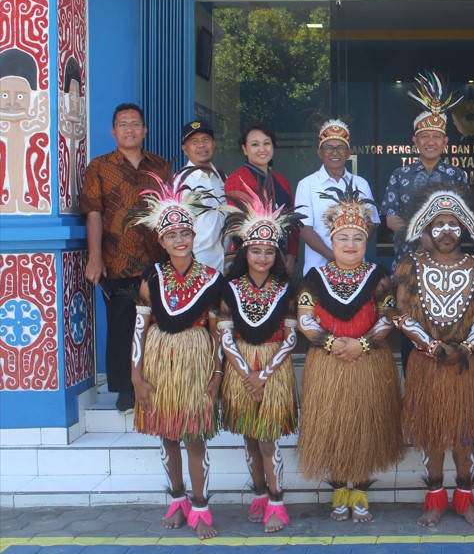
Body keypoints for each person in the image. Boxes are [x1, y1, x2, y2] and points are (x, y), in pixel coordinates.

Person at [296, 180, 404, 523]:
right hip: (327, 363)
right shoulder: (314, 277)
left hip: (368, 360)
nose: (350, 244)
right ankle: (339, 488)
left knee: (363, 425)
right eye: (343, 237)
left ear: (366, 241)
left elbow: (388, 317)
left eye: (358, 238)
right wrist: (331, 343)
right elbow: (305, 320)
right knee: (333, 426)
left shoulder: (379, 276)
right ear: (331, 240)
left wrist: (363, 343)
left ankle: (360, 490)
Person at [391, 187, 474, 528]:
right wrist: (433, 347)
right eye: (439, 224)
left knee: (465, 436)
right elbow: (400, 314)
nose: (447, 231)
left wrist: (465, 348)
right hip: (427, 363)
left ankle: (466, 499)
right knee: (432, 434)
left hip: (466, 364)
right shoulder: (411, 264)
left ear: (464, 227)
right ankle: (435, 499)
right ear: (426, 229)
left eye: (453, 224)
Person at [125, 173, 223, 540]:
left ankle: (201, 507)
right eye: (171, 235)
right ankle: (178, 501)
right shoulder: (151, 278)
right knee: (167, 436)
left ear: (194, 236)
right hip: (159, 364)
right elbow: (140, 328)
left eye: (185, 233)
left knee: (195, 438)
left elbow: (217, 333)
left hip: (195, 364)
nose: (179, 240)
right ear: (160, 240)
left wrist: (216, 376)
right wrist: (136, 376)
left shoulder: (212, 279)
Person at [217, 188, 305, 533]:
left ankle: (277, 502)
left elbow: (291, 338)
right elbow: (225, 335)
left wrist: (262, 376)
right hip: (241, 366)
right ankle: (258, 494)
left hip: (273, 368)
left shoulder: (287, 288)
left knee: (268, 438)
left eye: (270, 251)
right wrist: (245, 373)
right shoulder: (230, 288)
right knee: (249, 437)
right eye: (256, 250)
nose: (263, 257)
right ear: (245, 251)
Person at [80, 103, 170, 413]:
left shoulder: (160, 166)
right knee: (122, 326)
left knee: (156, 324)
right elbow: (93, 213)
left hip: (156, 259)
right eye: (123, 124)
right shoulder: (99, 166)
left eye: (134, 124)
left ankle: (155, 382)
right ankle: (125, 390)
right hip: (117, 259)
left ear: (145, 130)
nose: (129, 129)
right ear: (113, 131)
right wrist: (95, 257)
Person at [382, 71, 468, 373]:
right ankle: (414, 383)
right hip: (409, 265)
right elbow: (390, 219)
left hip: (449, 267)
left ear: (445, 141)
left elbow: (464, 219)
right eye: (424, 136)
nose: (430, 142)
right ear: (415, 140)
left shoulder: (457, 176)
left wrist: (440, 240)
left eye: (436, 136)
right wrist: (421, 236)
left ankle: (446, 387)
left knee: (449, 324)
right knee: (410, 325)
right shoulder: (399, 175)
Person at [296, 119, 379, 276]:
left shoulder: (361, 184)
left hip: (356, 270)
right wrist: (335, 257)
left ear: (349, 153)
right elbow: (304, 228)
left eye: (340, 147)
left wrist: (351, 253)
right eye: (328, 148)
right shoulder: (307, 184)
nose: (335, 153)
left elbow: (372, 223)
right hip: (317, 270)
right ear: (320, 152)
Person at [224, 123, 298, 272]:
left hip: (281, 260)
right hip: (248, 259)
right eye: (255, 144)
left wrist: (292, 254)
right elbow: (237, 224)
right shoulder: (236, 179)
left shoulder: (282, 181)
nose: (262, 149)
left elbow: (293, 223)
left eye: (267, 143)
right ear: (244, 149)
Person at [176, 120, 225, 271]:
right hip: (197, 267)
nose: (201, 145)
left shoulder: (222, 178)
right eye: (194, 141)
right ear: (185, 149)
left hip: (225, 266)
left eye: (205, 139)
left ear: (214, 144)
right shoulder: (180, 183)